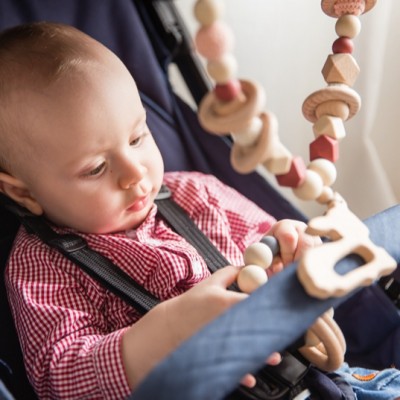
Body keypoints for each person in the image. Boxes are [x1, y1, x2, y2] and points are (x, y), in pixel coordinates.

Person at [0, 22, 319, 399]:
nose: (135, 173)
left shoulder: (197, 194)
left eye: (138, 137)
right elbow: (62, 376)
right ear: (24, 193)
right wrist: (167, 330)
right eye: (96, 168)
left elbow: (269, 240)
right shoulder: (41, 267)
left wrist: (289, 248)